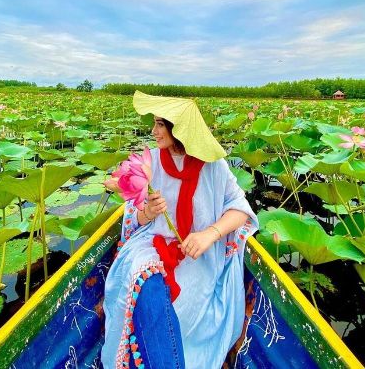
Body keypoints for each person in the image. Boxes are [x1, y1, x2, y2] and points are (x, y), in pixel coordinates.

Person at [101, 91, 258, 369]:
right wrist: (147, 213)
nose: (153, 130)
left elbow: (240, 210)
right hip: (153, 243)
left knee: (184, 306)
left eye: (160, 124)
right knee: (144, 281)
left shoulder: (214, 166)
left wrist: (209, 234)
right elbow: (128, 205)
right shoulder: (151, 161)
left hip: (198, 255)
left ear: (178, 129)